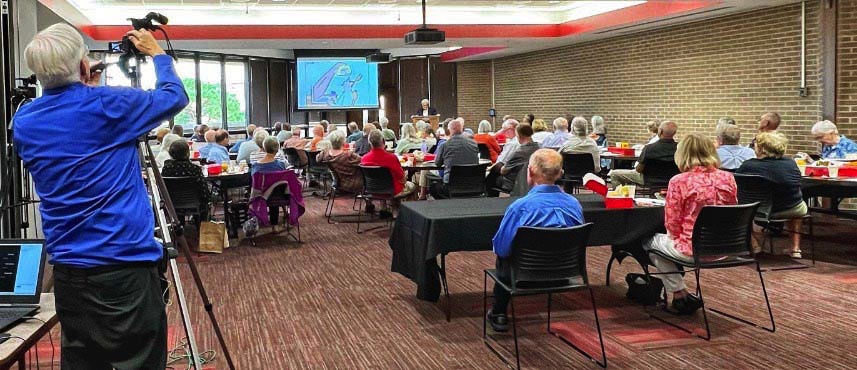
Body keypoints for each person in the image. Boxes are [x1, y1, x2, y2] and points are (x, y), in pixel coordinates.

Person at [13, 24, 187, 368]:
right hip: (123, 272)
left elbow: (73, 131)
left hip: (68, 276)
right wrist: (158, 54)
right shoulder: (110, 105)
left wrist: (82, 90)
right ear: (82, 67)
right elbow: (174, 96)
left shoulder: (24, 120)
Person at [486, 149, 585, 332]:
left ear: (530, 172)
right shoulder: (574, 204)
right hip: (564, 275)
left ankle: (499, 313)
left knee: (503, 259)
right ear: (560, 173)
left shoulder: (519, 207)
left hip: (523, 277)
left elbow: (501, 248)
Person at [641, 133, 736, 315]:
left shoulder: (679, 181)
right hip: (726, 248)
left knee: (649, 241)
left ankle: (678, 293)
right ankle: (681, 293)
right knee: (664, 245)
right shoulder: (728, 178)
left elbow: (672, 225)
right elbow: (732, 212)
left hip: (694, 250)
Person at [736, 132, 807, 258]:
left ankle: (756, 245)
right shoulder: (791, 164)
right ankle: (795, 248)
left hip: (760, 211)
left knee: (742, 208)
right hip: (791, 209)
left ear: (762, 148)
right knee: (797, 203)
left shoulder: (749, 165)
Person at [361, 130, 417, 215]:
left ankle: (385, 208)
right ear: (383, 141)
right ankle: (407, 214)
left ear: (369, 144)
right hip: (391, 190)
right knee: (412, 186)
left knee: (382, 181)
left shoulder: (364, 159)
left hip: (371, 190)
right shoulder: (391, 158)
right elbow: (401, 177)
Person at [610, 121, 678, 187]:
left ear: (660, 131)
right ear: (674, 133)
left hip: (648, 179)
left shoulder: (649, 148)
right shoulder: (680, 149)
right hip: (673, 180)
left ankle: (621, 196)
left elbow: (638, 169)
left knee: (614, 174)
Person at [161, 140, 212, 221]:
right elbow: (203, 190)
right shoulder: (195, 169)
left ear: (170, 154)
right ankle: (201, 227)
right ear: (187, 153)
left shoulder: (166, 169)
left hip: (172, 204)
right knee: (204, 202)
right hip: (195, 204)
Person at [430, 119, 480, 199]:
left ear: (449, 131)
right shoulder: (473, 143)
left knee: (432, 185)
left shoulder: (444, 145)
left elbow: (437, 163)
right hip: (472, 183)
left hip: (450, 185)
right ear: (461, 129)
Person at [485, 124, 540, 196]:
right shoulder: (538, 148)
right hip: (531, 180)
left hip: (513, 182)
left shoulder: (519, 152)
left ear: (519, 135)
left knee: (490, 178)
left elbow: (503, 170)